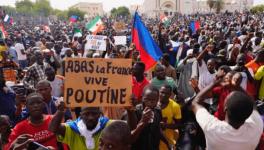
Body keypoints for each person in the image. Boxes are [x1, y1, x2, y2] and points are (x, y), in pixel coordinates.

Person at [192, 86, 263, 149]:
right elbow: (253, 104)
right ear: (249, 114)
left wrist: (215, 82)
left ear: (225, 109)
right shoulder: (257, 126)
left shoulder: (212, 128)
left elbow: (195, 102)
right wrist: (238, 87)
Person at [126, 85, 171, 150]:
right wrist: (142, 122)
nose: (150, 102)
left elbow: (158, 129)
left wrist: (167, 142)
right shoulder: (134, 112)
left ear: (157, 100)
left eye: (153, 100)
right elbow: (130, 137)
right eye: (147, 99)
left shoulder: (158, 111)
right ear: (142, 98)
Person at [158, 84, 182, 150]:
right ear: (159, 92)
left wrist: (166, 125)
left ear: (170, 94)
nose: (164, 95)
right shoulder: (153, 103)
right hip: (153, 140)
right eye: (162, 92)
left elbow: (178, 125)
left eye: (167, 93)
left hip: (168, 140)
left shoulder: (175, 106)